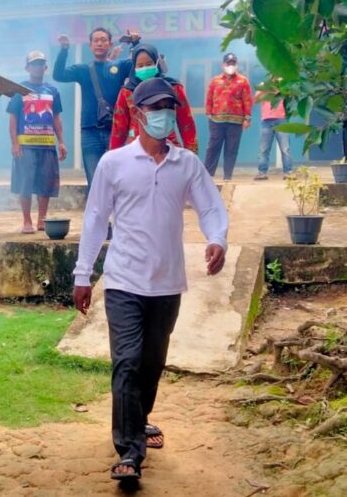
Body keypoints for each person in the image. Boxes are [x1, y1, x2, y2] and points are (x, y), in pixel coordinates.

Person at [72, 77, 229, 483]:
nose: (164, 114)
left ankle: (139, 420)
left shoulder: (186, 164)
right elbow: (95, 220)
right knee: (126, 362)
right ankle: (129, 451)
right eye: (156, 108)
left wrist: (217, 239)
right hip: (123, 280)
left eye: (169, 107)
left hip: (167, 283)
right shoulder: (113, 164)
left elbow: (210, 207)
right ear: (138, 114)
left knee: (151, 363)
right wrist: (83, 274)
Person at [53, 28, 135, 185]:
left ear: (110, 44)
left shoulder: (121, 66)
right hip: (90, 132)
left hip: (116, 131)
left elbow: (139, 66)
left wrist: (135, 43)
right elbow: (58, 75)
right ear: (90, 45)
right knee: (95, 181)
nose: (99, 43)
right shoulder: (83, 70)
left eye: (103, 40)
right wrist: (64, 50)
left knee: (119, 178)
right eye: (96, 40)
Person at [8, 51, 67, 234]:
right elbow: (13, 118)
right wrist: (15, 143)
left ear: (45, 67)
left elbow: (56, 118)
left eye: (41, 64)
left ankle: (42, 219)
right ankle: (27, 220)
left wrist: (61, 142)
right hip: (26, 146)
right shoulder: (19, 90)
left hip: (47, 145)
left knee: (46, 183)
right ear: (27, 67)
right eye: (34, 64)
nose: (37, 67)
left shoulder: (52, 91)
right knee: (25, 183)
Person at [108, 43, 198, 154]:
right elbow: (119, 129)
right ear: (134, 67)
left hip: (169, 148)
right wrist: (114, 155)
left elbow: (186, 123)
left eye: (149, 64)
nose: (145, 68)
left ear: (156, 63)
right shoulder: (127, 92)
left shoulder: (173, 88)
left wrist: (192, 152)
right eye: (140, 65)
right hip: (136, 151)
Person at [204, 53, 252, 181]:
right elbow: (209, 98)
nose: (230, 65)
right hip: (216, 120)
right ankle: (208, 175)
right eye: (228, 63)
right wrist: (208, 113)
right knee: (213, 147)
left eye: (233, 63)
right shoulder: (215, 81)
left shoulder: (243, 81)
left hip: (235, 121)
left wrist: (247, 118)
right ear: (223, 65)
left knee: (231, 149)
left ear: (236, 65)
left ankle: (227, 176)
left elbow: (247, 100)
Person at [253, 83, 293, 180]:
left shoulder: (284, 84)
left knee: (285, 148)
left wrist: (281, 88)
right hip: (266, 121)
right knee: (264, 149)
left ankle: (288, 172)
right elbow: (255, 100)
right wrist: (264, 88)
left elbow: (291, 98)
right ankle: (262, 172)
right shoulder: (264, 84)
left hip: (281, 120)